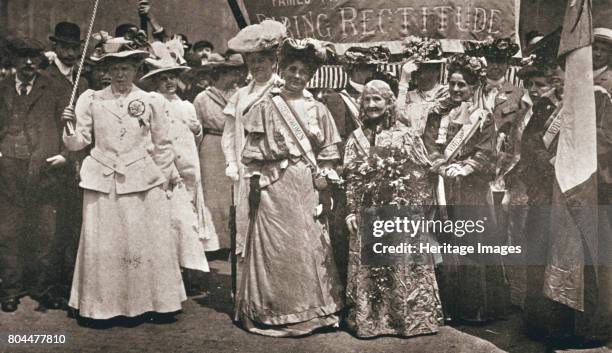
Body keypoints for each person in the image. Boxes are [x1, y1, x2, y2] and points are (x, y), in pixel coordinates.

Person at [61, 38, 186, 321]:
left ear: (136, 69)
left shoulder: (150, 100)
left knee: (141, 243)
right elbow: (77, 142)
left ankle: (148, 305)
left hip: (142, 180)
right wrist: (68, 124)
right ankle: (103, 307)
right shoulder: (91, 99)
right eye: (115, 68)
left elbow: (164, 144)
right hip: (102, 180)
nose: (120, 74)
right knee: (104, 243)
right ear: (106, 69)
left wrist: (162, 178)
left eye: (126, 68)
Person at [235, 38, 343, 337]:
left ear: (310, 76)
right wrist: (256, 186)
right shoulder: (266, 106)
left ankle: (315, 312)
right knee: (278, 246)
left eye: (303, 72)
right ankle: (276, 311)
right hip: (274, 184)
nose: (297, 76)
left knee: (308, 243)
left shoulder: (318, 108)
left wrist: (324, 180)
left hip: (306, 182)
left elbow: (328, 153)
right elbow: (253, 153)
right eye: (292, 69)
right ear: (282, 70)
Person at [343, 80, 443, 337]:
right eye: (367, 100)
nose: (372, 105)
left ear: (389, 103)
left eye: (378, 99)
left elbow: (422, 174)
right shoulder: (356, 138)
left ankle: (407, 321)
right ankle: (372, 322)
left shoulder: (406, 135)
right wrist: (352, 210)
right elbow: (352, 178)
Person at [423, 54, 509, 323]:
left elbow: (487, 151)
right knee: (446, 243)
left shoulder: (482, 117)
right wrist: (440, 165)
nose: (457, 89)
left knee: (473, 242)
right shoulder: (438, 113)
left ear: (473, 87)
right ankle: (450, 306)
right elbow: (428, 144)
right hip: (443, 186)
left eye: (463, 85)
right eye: (453, 83)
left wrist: (467, 166)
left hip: (471, 188)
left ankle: (477, 308)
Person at [0, 38, 73, 312]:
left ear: (40, 60)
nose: (28, 63)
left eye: (33, 58)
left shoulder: (53, 89)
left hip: (44, 171)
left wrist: (66, 155)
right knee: (8, 231)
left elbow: (68, 125)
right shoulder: (3, 89)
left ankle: (43, 289)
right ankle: (10, 290)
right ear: (14, 61)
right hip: (8, 173)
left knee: (46, 233)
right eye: (23, 58)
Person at [140, 57, 217, 272]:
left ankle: (184, 268)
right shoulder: (152, 101)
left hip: (189, 167)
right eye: (163, 78)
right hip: (167, 168)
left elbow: (195, 138)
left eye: (172, 77)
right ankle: (172, 268)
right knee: (173, 217)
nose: (169, 82)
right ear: (155, 82)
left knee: (188, 215)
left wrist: (197, 130)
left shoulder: (185, 105)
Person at [222, 19, 286, 263]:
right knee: (246, 221)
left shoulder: (282, 90)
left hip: (277, 170)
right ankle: (248, 290)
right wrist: (230, 162)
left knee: (273, 224)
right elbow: (229, 132)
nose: (257, 65)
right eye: (252, 60)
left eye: (262, 60)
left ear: (273, 61)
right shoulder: (240, 95)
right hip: (245, 171)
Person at [194, 53, 246, 251]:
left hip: (235, 144)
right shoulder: (202, 98)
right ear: (220, 74)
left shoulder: (240, 94)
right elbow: (197, 128)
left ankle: (235, 240)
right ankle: (217, 242)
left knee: (234, 192)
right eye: (231, 73)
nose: (236, 78)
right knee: (213, 195)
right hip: (212, 147)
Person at [396, 36, 447, 136]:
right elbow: (398, 117)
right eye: (418, 71)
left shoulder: (446, 94)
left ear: (437, 71)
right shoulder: (409, 96)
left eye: (427, 70)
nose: (422, 76)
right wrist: (404, 81)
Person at [593, 27, 612, 94]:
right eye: (595, 48)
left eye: (603, 50)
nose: (598, 54)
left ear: (610, 54)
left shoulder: (610, 80)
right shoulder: (580, 73)